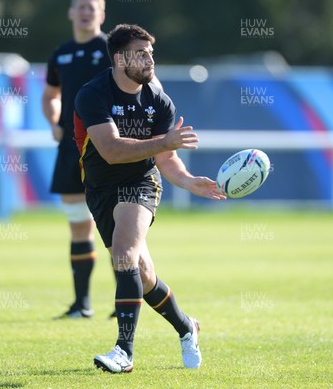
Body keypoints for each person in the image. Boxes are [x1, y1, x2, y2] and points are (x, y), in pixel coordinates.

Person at [74, 24, 226, 373]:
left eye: (151, 53)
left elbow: (165, 159)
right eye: (141, 53)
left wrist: (187, 181)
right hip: (100, 189)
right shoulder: (93, 94)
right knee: (141, 274)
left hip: (140, 183)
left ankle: (123, 352)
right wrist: (165, 143)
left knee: (124, 254)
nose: (149, 59)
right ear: (119, 58)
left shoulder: (158, 100)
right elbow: (110, 150)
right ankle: (187, 327)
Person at [42, 0, 112, 319]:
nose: (85, 12)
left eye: (92, 7)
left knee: (117, 226)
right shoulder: (62, 53)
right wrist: (54, 120)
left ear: (102, 14)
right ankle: (81, 304)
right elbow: (50, 95)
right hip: (71, 148)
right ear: (71, 12)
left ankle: (125, 301)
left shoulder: (113, 49)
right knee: (79, 226)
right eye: (80, 6)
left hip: (108, 149)